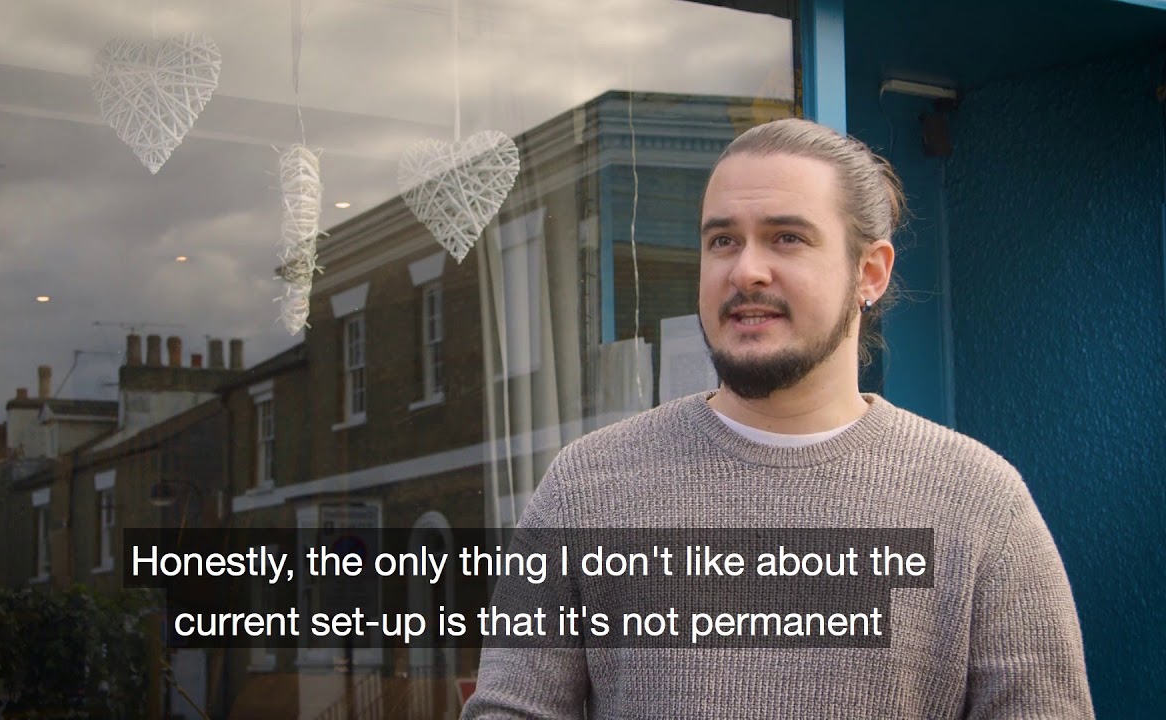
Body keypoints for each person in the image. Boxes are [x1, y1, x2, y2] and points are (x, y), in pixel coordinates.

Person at [461, 118, 1093, 718]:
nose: (746, 270)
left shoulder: (980, 501)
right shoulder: (588, 485)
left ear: (869, 272)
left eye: (787, 237)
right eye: (722, 241)